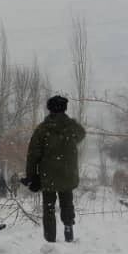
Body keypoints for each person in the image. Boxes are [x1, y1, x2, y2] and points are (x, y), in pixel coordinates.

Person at [25, 95, 86, 243]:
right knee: (67, 203)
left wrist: (31, 176)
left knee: (49, 207)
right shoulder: (72, 127)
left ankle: (50, 236)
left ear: (49, 109)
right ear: (65, 108)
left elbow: (33, 154)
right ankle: (68, 228)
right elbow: (82, 134)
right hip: (67, 174)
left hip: (48, 176)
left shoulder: (42, 129)